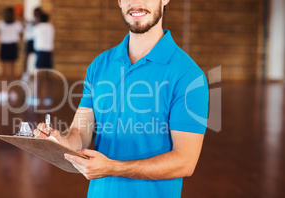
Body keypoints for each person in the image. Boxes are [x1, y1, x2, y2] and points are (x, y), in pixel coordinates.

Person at [33, 0, 209, 197]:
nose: (136, 3)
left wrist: (113, 168)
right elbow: (79, 133)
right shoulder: (99, 65)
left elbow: (185, 161)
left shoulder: (188, 75)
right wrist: (59, 140)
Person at [0, 7, 24, 103]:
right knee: (11, 70)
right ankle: (10, 91)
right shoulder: (16, 24)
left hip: (8, 46)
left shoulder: (2, 24)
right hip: (10, 46)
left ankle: (9, 91)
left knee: (7, 71)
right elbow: (21, 34)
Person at [31, 12, 54, 106]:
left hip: (40, 52)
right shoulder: (51, 27)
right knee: (48, 75)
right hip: (49, 52)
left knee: (39, 76)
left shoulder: (37, 27)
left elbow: (32, 36)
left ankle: (37, 97)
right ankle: (47, 97)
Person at [21, 7, 42, 82]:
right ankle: (25, 74)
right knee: (26, 58)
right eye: (34, 12)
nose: (35, 14)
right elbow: (25, 26)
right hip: (30, 40)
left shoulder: (41, 22)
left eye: (36, 12)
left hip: (37, 41)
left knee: (38, 59)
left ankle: (37, 75)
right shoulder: (32, 21)